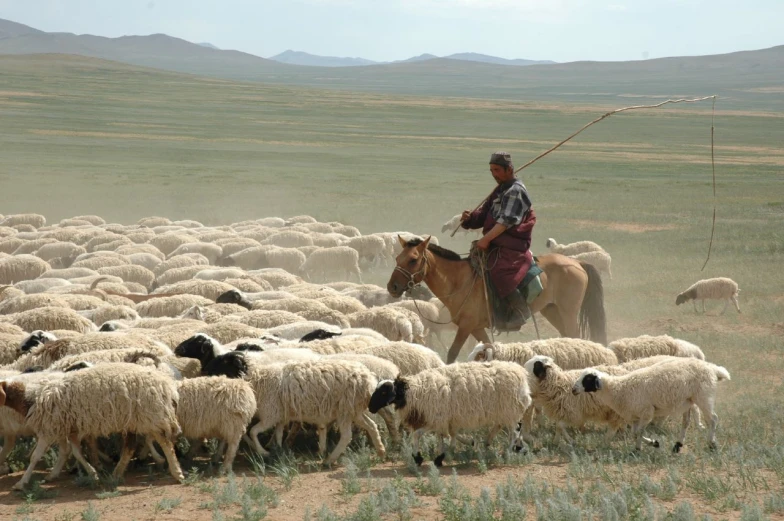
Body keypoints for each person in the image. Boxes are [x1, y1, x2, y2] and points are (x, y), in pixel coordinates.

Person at [460, 151, 536, 331]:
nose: (494, 174)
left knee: (500, 273)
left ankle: (519, 313)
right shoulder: (500, 190)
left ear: (509, 169)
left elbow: (506, 222)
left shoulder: (516, 191)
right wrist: (469, 219)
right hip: (495, 242)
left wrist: (485, 240)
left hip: (512, 244)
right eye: (491, 170)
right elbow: (484, 215)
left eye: (497, 170)